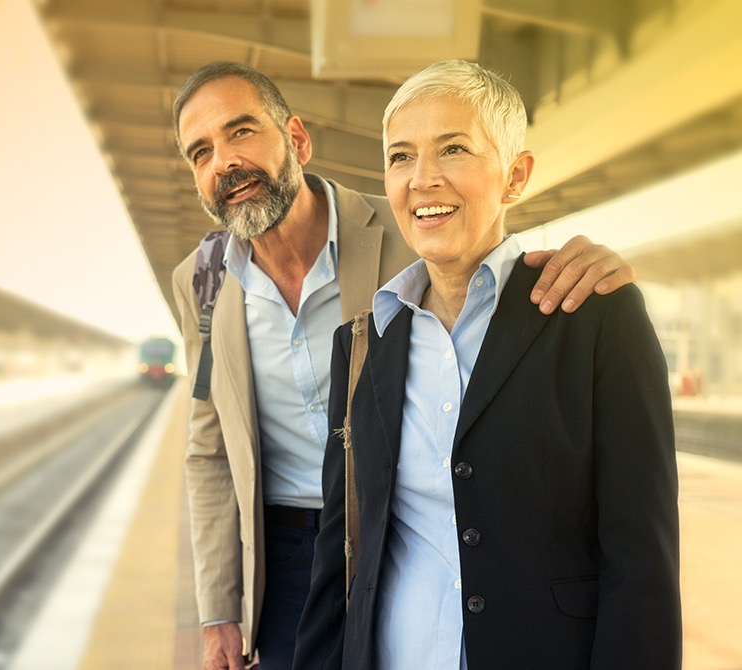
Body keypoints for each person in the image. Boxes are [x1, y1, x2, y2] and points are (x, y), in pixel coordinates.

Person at [169, 61, 639, 670]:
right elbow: (207, 448)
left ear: (298, 140)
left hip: (397, 528)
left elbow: (485, 260)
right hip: (285, 550)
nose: (223, 162)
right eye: (199, 152)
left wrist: (588, 261)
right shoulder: (201, 284)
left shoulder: (407, 227)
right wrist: (218, 612)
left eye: (241, 132)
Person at [292, 59, 680, 669]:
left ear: (515, 176)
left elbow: (641, 556)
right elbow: (340, 549)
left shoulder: (595, 316)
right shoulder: (363, 344)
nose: (423, 179)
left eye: (453, 149)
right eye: (400, 156)